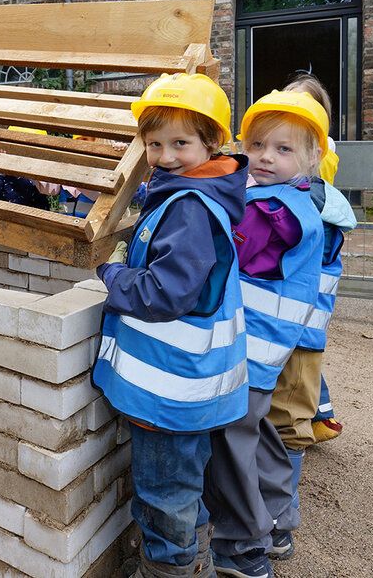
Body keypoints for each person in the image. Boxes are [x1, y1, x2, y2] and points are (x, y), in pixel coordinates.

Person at [92, 73, 250, 578]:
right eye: (154, 143)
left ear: (211, 142)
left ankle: (169, 571)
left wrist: (112, 273)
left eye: (181, 143)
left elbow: (163, 294)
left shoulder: (188, 209)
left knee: (163, 498)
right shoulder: (187, 195)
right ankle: (192, 562)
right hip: (185, 391)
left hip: (169, 396)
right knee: (184, 491)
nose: (164, 155)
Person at [204, 90, 330, 577]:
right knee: (258, 430)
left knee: (231, 440)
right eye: (256, 145)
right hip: (268, 350)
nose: (264, 158)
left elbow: (230, 248)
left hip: (250, 351)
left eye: (283, 149)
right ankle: (278, 518)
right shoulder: (291, 199)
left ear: (313, 158)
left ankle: (243, 547)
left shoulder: (271, 212)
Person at [282, 74, 348, 444]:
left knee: (301, 353)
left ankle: (312, 422)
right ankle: (320, 415)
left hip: (305, 284)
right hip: (305, 288)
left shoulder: (319, 158)